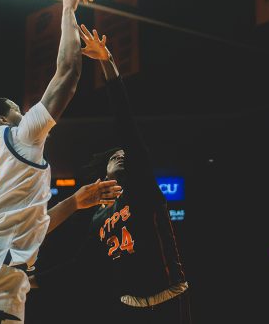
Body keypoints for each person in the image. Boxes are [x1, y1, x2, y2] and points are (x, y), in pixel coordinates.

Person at [0, 0, 121, 324]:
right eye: (16, 108)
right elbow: (68, 74)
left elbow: (24, 226)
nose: (23, 111)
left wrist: (74, 202)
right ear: (3, 117)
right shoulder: (19, 136)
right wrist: (68, 10)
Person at [30, 25, 191, 324]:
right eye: (115, 156)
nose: (122, 155)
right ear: (104, 170)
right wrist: (32, 280)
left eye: (126, 154)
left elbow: (126, 124)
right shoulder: (98, 217)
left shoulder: (143, 187)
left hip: (168, 299)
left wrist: (109, 63)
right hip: (127, 307)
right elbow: (80, 264)